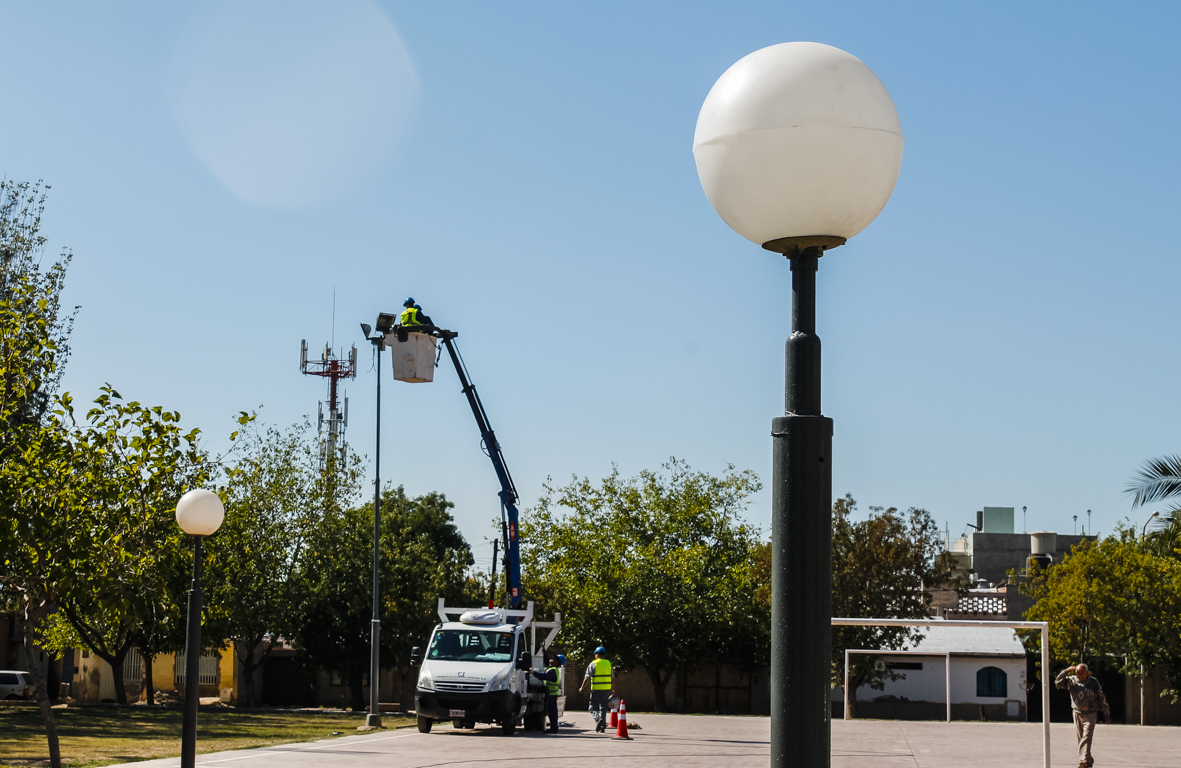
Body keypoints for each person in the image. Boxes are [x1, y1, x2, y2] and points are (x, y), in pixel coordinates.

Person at [1056, 663, 1110, 768]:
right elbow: (1058, 682)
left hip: (1090, 713)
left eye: (1082, 673)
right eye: (1077, 672)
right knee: (1082, 739)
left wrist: (1106, 714)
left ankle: (1083, 760)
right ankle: (1088, 760)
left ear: (1087, 673)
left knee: (1087, 736)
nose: (1079, 675)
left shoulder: (1093, 682)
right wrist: (1066, 671)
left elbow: (1101, 697)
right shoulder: (1072, 681)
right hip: (1077, 713)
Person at [578, 646, 614, 732]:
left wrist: (582, 687)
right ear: (604, 655)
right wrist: (613, 690)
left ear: (596, 655)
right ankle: (602, 727)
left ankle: (598, 719)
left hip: (596, 689)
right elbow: (613, 678)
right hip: (606, 689)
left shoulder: (593, 664)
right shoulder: (608, 663)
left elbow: (587, 677)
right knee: (603, 707)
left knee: (592, 706)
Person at [529, 653, 562, 733]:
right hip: (551, 694)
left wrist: (533, 672)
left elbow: (543, 676)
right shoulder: (552, 668)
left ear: (557, 662)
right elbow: (547, 661)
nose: (551, 659)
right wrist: (544, 650)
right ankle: (554, 728)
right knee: (551, 711)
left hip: (551, 695)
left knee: (552, 712)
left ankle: (554, 729)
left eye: (554, 659)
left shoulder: (553, 671)